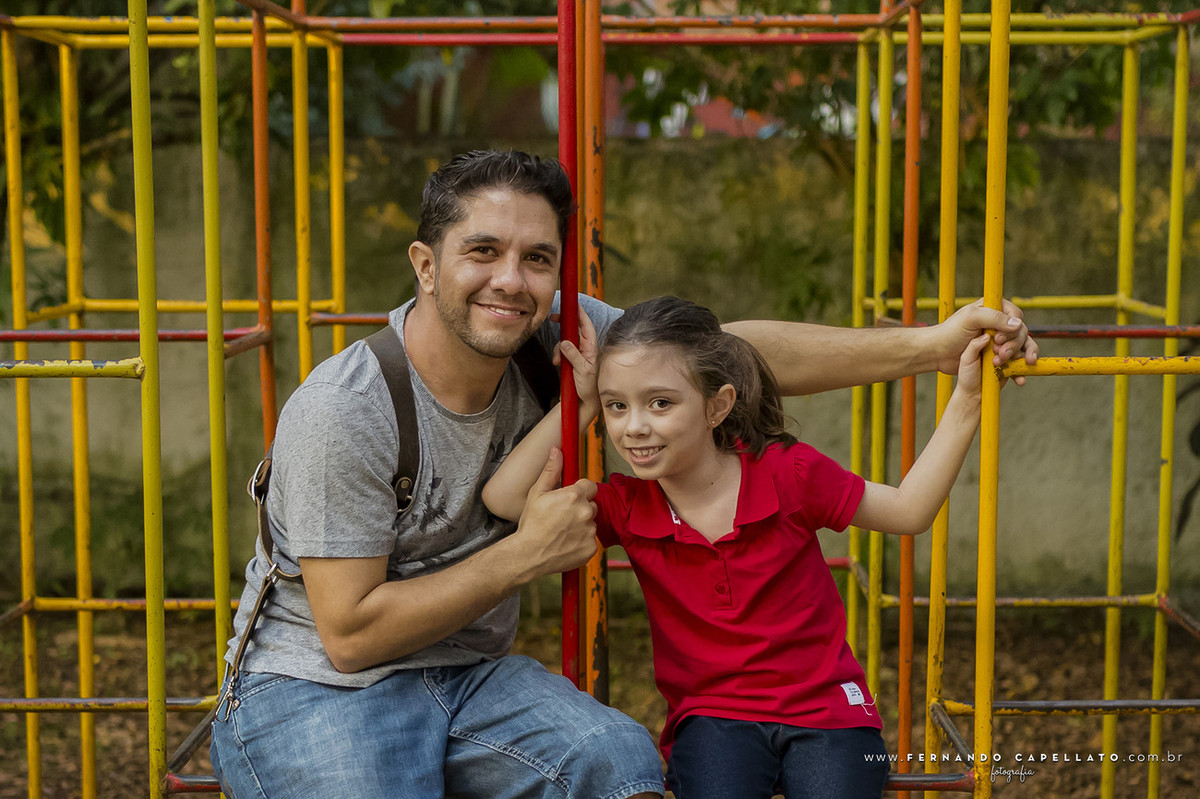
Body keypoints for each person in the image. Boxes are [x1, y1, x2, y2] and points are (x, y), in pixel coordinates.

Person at [210, 149, 1036, 798]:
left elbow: (725, 354)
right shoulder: (345, 409)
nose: (512, 279)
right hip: (315, 685)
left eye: (538, 258)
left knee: (623, 765)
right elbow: (349, 635)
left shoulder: (555, 331)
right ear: (426, 265)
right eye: (483, 251)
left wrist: (933, 344)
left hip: (467, 675)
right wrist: (525, 556)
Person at [483, 295, 1001, 799]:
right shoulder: (627, 506)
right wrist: (586, 399)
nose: (634, 426)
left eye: (660, 402)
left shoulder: (787, 472)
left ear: (717, 406)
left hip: (826, 709)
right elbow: (506, 499)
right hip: (713, 716)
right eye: (620, 406)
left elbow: (910, 510)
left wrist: (968, 398)